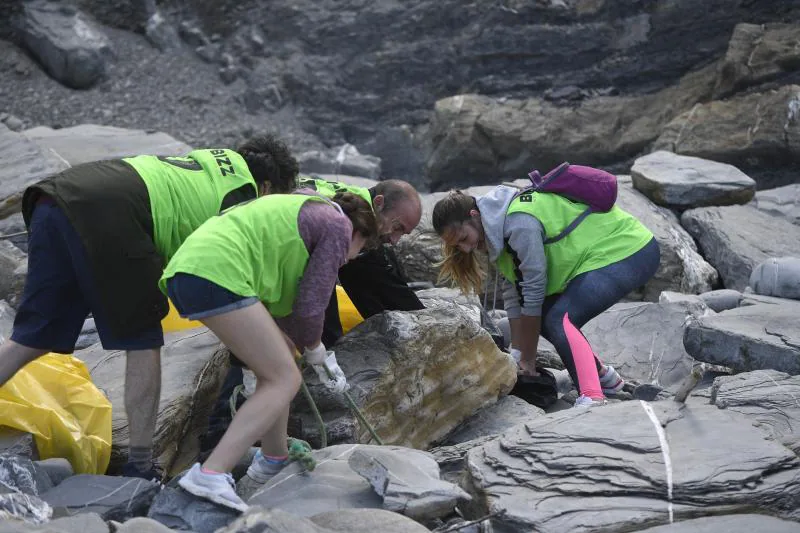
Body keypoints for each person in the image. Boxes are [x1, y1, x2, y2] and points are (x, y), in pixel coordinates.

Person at [0, 134, 299, 479]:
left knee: (33, 336)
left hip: (54, 198)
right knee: (142, 339)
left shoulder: (211, 163)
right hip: (115, 217)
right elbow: (228, 283)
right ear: (266, 186)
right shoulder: (244, 197)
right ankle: (141, 467)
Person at [160, 190, 378, 511]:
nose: (348, 259)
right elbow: (310, 307)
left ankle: (273, 458)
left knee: (276, 370)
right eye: (359, 250)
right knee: (284, 379)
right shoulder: (338, 226)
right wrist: (318, 351)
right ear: (359, 232)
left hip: (190, 271)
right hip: (218, 272)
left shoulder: (304, 211)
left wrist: (281, 354)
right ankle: (210, 474)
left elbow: (286, 321)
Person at [431, 182, 660, 407]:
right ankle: (604, 379)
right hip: (602, 257)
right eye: (458, 246)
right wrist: (517, 355)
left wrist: (529, 360)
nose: (466, 249)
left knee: (560, 319)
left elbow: (533, 291)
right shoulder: (496, 234)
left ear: (474, 215)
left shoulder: (518, 222)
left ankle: (592, 396)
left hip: (628, 249)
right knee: (546, 316)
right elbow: (515, 297)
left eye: (463, 239)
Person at [295, 175, 424, 346]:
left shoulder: (355, 202)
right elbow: (320, 298)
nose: (395, 240)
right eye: (397, 227)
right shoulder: (348, 221)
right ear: (379, 202)